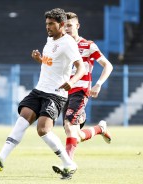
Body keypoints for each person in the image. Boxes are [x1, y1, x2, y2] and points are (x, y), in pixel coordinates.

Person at [0, 8, 85, 179]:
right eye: (46, 24)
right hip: (39, 90)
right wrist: (41, 60)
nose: (48, 27)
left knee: (43, 130)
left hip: (55, 94)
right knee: (23, 118)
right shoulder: (50, 39)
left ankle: (69, 163)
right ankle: (0, 158)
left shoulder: (68, 43)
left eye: (51, 24)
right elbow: (52, 63)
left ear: (61, 25)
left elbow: (81, 67)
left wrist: (72, 81)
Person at [52, 12, 113, 178]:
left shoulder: (88, 45)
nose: (67, 29)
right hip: (63, 93)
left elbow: (107, 65)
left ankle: (68, 167)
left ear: (77, 26)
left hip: (80, 92)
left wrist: (98, 84)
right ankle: (99, 129)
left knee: (69, 126)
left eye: (70, 25)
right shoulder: (60, 45)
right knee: (74, 134)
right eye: (65, 26)